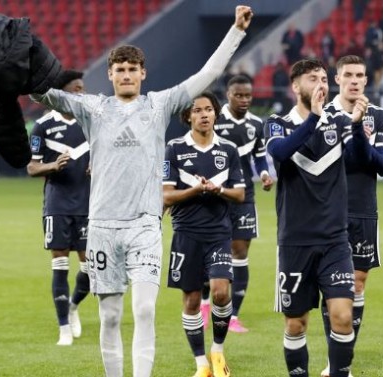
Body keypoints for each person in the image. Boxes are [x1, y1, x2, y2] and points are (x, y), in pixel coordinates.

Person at [31, 6, 253, 376]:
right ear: (111, 74)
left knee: (145, 311)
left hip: (145, 226)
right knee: (111, 316)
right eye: (120, 70)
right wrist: (15, 71)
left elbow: (208, 74)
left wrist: (236, 31)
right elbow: (46, 96)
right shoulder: (93, 108)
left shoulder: (160, 104)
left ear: (143, 73)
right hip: (102, 225)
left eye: (133, 69)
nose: (127, 75)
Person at [264, 58, 369, 377]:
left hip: (335, 241)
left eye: (324, 79)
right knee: (296, 323)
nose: (321, 85)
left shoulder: (339, 123)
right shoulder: (275, 122)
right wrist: (314, 118)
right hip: (295, 241)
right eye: (313, 79)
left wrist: (356, 128)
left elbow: (358, 160)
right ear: (296, 86)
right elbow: (279, 153)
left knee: (342, 315)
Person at [163, 92, 246, 377]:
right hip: (186, 233)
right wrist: (195, 190)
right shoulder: (174, 149)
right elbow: (167, 196)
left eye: (208, 109)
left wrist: (217, 189)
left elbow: (240, 193)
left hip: (219, 233)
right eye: (197, 110)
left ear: (215, 114)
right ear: (188, 117)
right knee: (191, 300)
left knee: (221, 292)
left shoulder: (228, 150)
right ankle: (201, 363)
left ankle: (218, 351)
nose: (203, 114)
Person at [319, 55, 383, 377]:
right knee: (330, 285)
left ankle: (342, 362)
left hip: (363, 209)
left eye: (359, 75)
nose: (354, 80)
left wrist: (357, 133)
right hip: (326, 210)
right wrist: (360, 144)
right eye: (348, 74)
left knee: (358, 283)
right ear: (337, 79)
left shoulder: (377, 115)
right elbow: (343, 161)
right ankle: (334, 360)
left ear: (366, 79)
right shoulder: (324, 114)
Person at [203, 74, 274, 333]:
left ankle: (232, 316)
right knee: (208, 250)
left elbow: (260, 156)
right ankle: (202, 303)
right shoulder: (214, 119)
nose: (244, 100)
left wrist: (265, 174)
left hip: (244, 195)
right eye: (239, 95)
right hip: (214, 195)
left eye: (248, 96)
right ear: (228, 95)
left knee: (241, 252)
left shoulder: (257, 124)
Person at [26, 70, 91, 346]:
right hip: (58, 203)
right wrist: (52, 165)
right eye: (76, 89)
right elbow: (32, 166)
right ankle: (63, 326)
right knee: (60, 265)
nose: (82, 94)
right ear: (62, 94)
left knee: (91, 269)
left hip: (88, 204)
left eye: (83, 89)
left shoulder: (91, 123)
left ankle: (74, 306)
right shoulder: (42, 126)